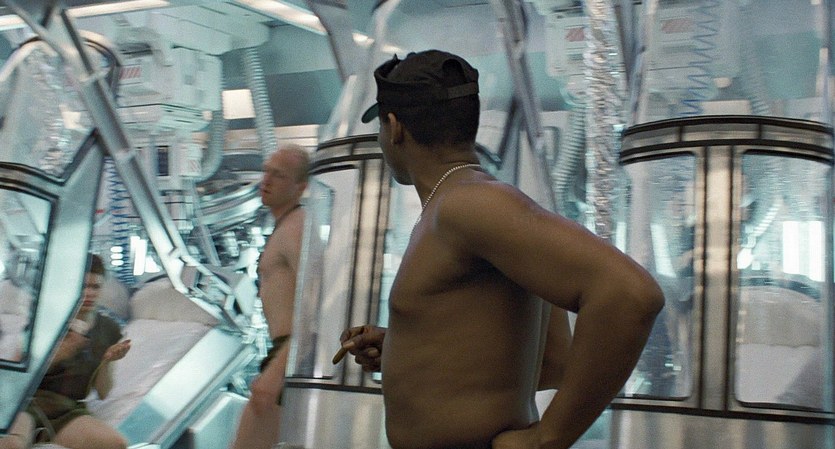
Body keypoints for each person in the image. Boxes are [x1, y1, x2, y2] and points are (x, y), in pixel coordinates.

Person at [336, 50, 665, 449]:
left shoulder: (468, 205)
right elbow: (552, 362)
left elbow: (630, 294)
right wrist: (404, 346)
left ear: (394, 128)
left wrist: (548, 438)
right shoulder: (458, 205)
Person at [230, 144, 309, 449]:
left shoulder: (296, 227)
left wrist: (277, 371)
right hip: (287, 352)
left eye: (279, 175)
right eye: (266, 171)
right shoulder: (286, 226)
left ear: (300, 187)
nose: (267, 180)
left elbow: (315, 307)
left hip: (291, 352)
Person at [27, 254, 131, 449]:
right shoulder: (48, 320)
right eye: (83, 286)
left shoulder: (109, 329)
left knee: (118, 444)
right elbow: (21, 378)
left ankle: (43, 437)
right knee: (11, 444)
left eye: (95, 287)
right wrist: (60, 354)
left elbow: (103, 393)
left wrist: (107, 361)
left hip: (67, 410)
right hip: (30, 403)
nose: (89, 293)